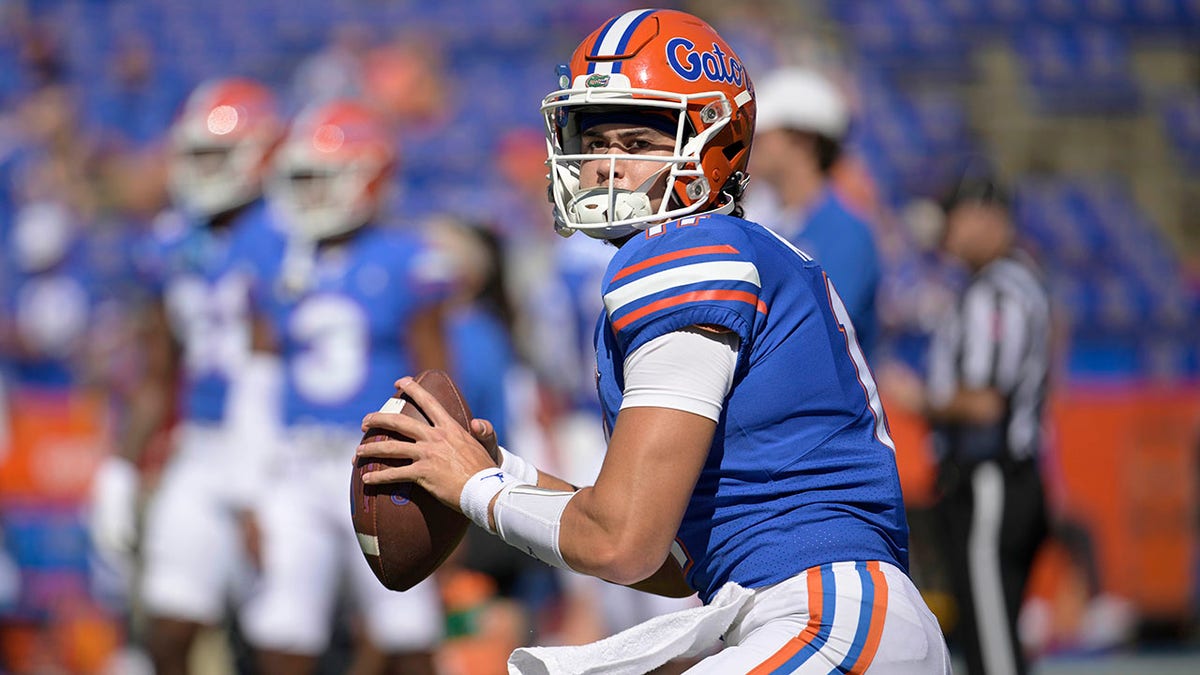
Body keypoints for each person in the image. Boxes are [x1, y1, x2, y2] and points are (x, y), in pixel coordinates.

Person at [356, 9, 950, 674]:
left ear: (712, 143)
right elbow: (671, 556)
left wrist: (476, 487)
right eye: (594, 135)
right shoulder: (719, 250)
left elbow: (622, 543)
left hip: (825, 616)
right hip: (808, 612)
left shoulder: (685, 250)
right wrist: (509, 474)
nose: (606, 163)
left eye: (637, 141)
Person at [238, 98, 447, 675]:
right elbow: (257, 377)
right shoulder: (276, 258)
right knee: (283, 626)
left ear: (368, 178)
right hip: (294, 461)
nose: (308, 193)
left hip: (379, 465)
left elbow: (438, 381)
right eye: (301, 178)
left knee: (407, 627)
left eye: (322, 177)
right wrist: (251, 485)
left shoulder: (409, 257)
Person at [86, 77, 284, 675]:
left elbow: (271, 364)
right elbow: (158, 372)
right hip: (201, 447)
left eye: (215, 154)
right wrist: (121, 466)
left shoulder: (286, 237)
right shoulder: (172, 244)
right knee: (169, 625)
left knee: (283, 634)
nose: (200, 170)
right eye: (194, 154)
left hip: (279, 451)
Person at [881, 175, 1052, 675]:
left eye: (956, 214)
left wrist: (919, 397)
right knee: (986, 626)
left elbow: (985, 404)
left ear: (986, 215)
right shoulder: (1011, 284)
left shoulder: (996, 292)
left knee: (990, 634)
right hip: (997, 476)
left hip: (989, 476)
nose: (947, 231)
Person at [746, 66, 883, 357]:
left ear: (803, 142)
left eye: (765, 135)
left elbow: (815, 328)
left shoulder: (846, 232)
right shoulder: (769, 221)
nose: (754, 145)